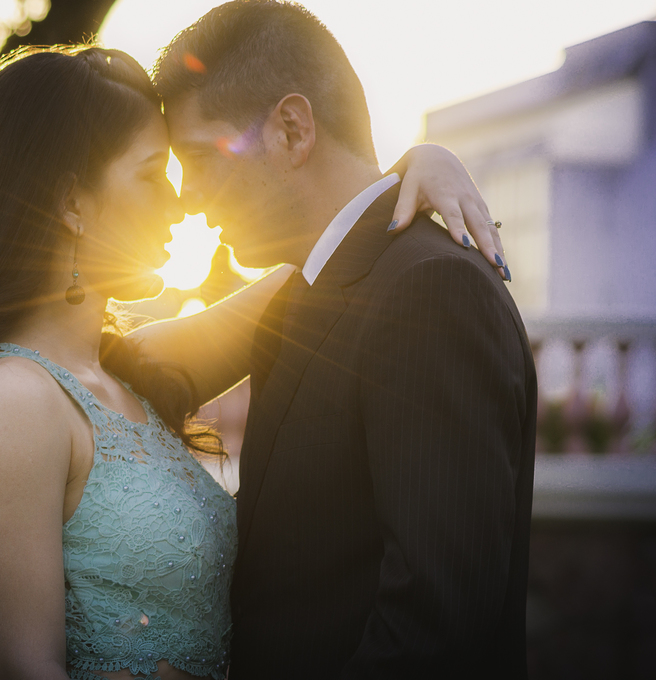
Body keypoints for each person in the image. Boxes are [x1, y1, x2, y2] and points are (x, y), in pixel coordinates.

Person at [0, 42, 500, 680]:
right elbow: (26, 669)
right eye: (151, 177)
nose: (180, 206)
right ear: (72, 203)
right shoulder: (11, 399)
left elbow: (328, 263)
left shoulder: (127, 369)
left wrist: (420, 164)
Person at [153, 2, 536, 678]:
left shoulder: (431, 293)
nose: (186, 198)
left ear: (292, 130)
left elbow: (434, 631)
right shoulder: (309, 292)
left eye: (196, 159)